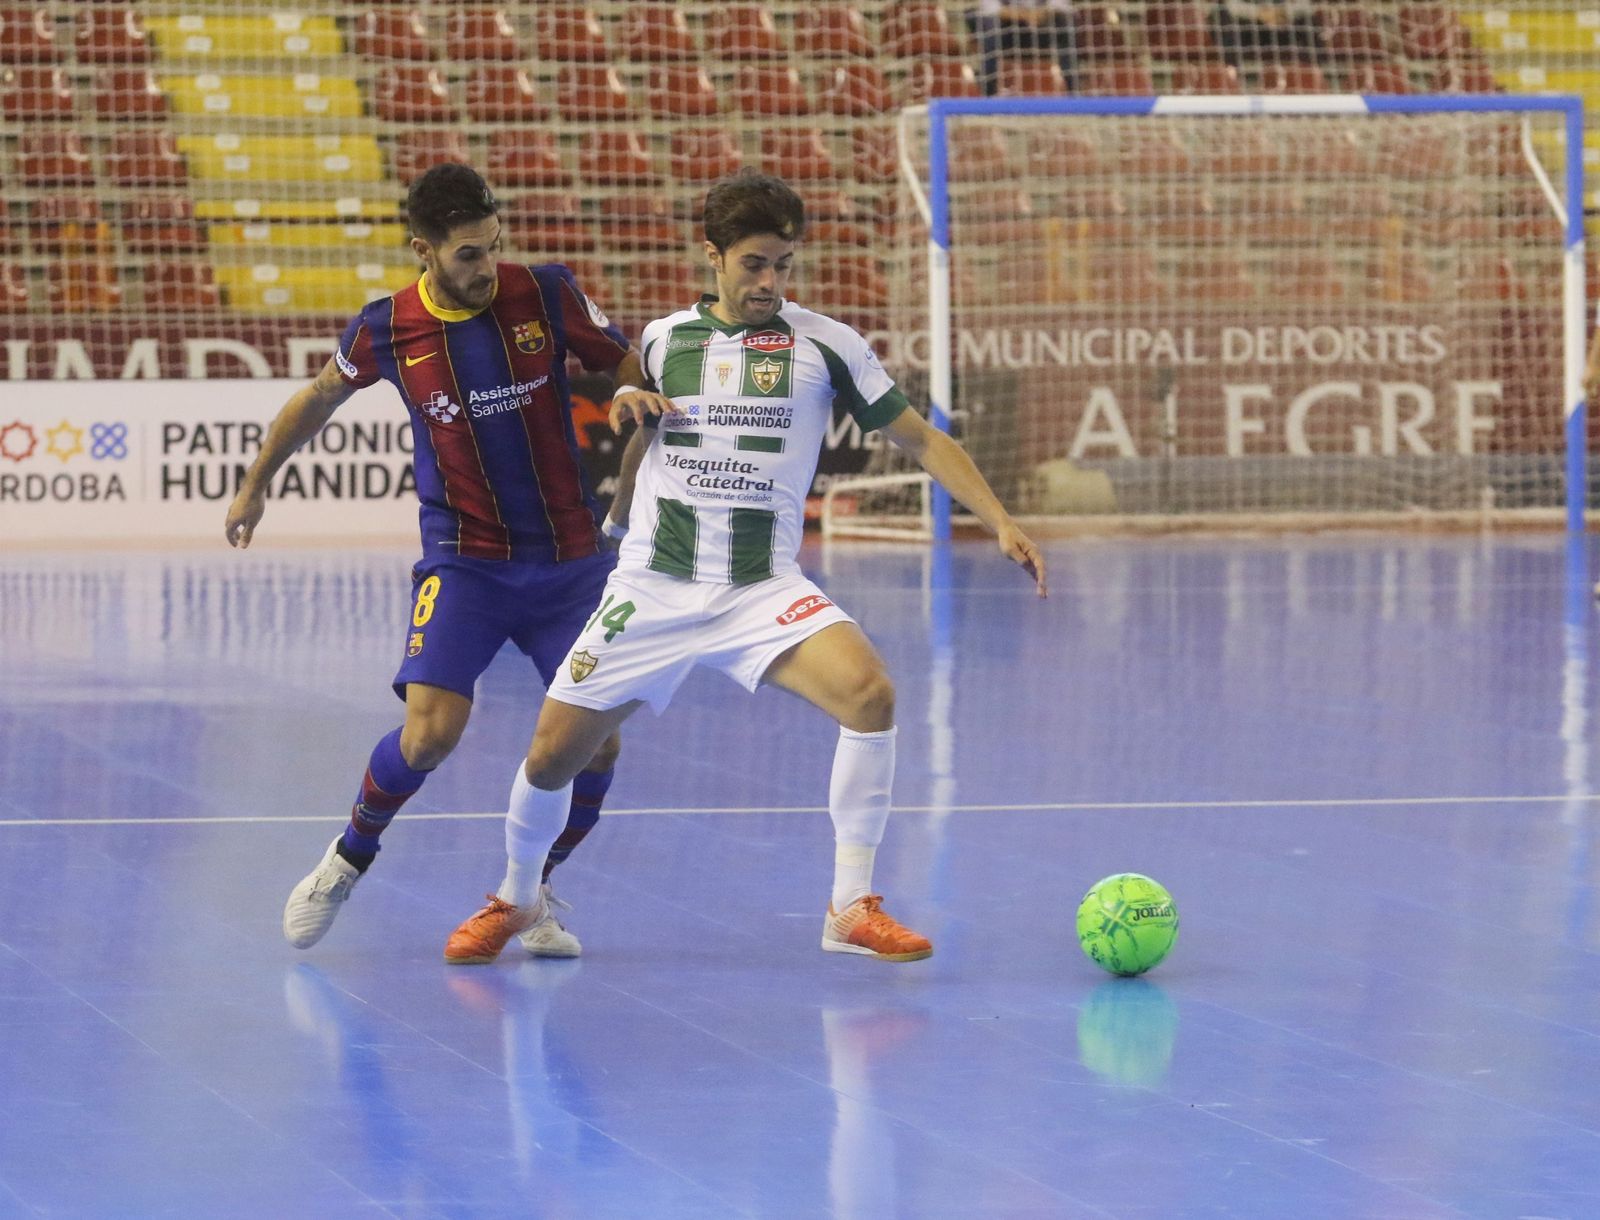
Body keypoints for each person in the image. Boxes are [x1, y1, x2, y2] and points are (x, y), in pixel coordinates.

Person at [439, 169, 1047, 966]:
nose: (769, 282)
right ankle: (517, 896)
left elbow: (924, 439)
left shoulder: (828, 344)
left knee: (870, 693)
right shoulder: (663, 340)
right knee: (552, 753)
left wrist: (999, 519)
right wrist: (617, 514)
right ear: (714, 256)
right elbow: (648, 435)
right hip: (654, 586)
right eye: (754, 264)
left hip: (761, 588)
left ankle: (850, 906)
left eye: (783, 265)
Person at [225, 163, 671, 957]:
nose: (487, 266)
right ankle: (348, 856)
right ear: (423, 250)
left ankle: (531, 893)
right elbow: (319, 397)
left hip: (573, 563)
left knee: (597, 744)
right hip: (467, 562)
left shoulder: (546, 292)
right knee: (430, 734)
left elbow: (626, 360)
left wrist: (631, 390)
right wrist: (257, 483)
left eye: (494, 246)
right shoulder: (386, 327)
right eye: (469, 254)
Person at [974, 0, 1078, 96]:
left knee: (1064, 23)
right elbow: (989, 8)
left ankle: (1072, 92)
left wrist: (1041, 13)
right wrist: (1022, 15)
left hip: (1043, 27)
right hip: (1008, 29)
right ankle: (988, 94)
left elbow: (1061, 6)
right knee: (990, 27)